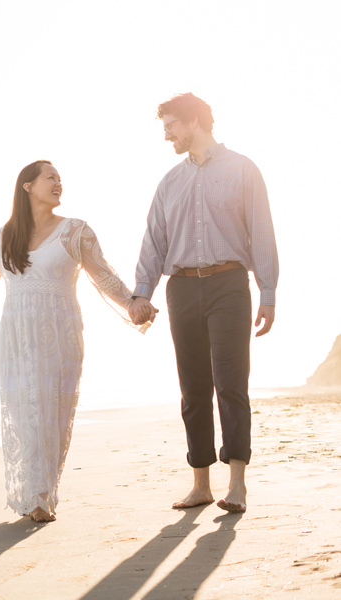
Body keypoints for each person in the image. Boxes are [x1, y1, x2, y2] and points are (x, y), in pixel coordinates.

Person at [0, 160, 150, 523]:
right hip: (16, 337)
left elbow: (104, 275)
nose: (58, 183)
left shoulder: (75, 231)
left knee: (51, 413)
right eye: (50, 178)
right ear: (27, 187)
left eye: (60, 179)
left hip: (59, 334)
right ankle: (30, 496)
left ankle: (42, 496)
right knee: (23, 413)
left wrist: (131, 302)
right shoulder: (7, 235)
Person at [129, 93, 279, 514]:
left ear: (194, 121)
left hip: (229, 283)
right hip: (181, 289)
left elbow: (262, 233)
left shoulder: (243, 170)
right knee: (193, 389)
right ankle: (200, 484)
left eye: (171, 125)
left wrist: (267, 292)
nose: (166, 136)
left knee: (231, 384)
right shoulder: (169, 183)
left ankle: (237, 485)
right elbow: (153, 242)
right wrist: (143, 293)